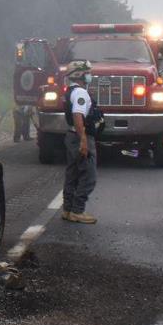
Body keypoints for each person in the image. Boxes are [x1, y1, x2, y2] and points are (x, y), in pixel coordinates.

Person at [61, 60, 98, 224]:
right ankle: (77, 211)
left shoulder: (70, 91)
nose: (90, 75)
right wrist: (83, 140)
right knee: (89, 175)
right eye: (87, 72)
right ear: (80, 74)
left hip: (71, 135)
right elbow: (78, 115)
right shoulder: (81, 93)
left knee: (72, 174)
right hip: (79, 136)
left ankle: (67, 210)